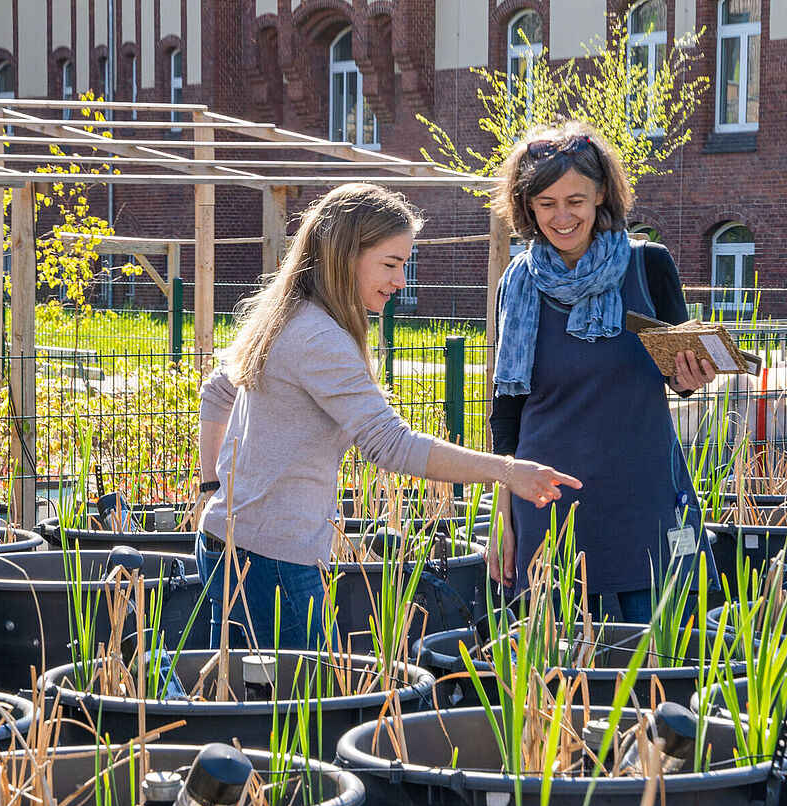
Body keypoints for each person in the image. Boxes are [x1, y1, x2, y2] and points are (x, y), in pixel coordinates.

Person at [196, 182, 581, 651]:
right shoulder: (319, 337)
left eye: (404, 265)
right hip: (271, 560)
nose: (401, 281)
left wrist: (212, 490)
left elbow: (217, 390)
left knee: (240, 688)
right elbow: (390, 444)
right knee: (304, 695)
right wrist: (506, 470)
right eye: (391, 264)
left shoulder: (291, 314)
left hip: (230, 541)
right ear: (345, 257)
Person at [487, 120, 717, 622]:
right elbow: (506, 413)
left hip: (641, 496)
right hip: (547, 500)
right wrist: (501, 511)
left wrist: (689, 378)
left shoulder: (648, 266)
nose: (561, 216)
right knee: (558, 658)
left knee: (656, 651)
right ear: (527, 207)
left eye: (575, 200)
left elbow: (678, 374)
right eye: (546, 203)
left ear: (601, 196)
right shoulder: (517, 283)